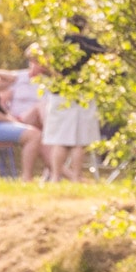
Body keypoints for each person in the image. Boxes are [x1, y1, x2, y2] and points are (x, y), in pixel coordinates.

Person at [47, 14, 105, 180]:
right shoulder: (92, 45)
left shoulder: (59, 44)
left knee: (61, 140)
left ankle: (55, 177)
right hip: (84, 94)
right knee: (80, 141)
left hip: (61, 94)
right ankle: (76, 176)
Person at [6, 46, 50, 179]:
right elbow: (2, 101)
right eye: (37, 61)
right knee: (39, 106)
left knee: (45, 139)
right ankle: (66, 175)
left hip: (40, 124)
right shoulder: (19, 77)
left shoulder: (48, 82)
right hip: (19, 120)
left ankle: (48, 176)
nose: (40, 65)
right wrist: (6, 118)